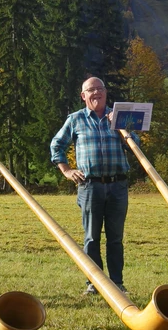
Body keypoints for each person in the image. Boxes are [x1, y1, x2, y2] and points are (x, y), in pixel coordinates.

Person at [50, 76, 133, 296]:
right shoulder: (76, 119)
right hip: (90, 186)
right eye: (91, 90)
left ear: (106, 93)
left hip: (118, 185)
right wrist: (67, 170)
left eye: (100, 89)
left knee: (115, 238)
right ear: (83, 96)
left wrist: (122, 127)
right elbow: (56, 144)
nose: (96, 93)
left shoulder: (118, 117)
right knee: (91, 237)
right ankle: (95, 284)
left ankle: (117, 283)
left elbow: (136, 146)